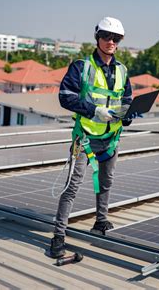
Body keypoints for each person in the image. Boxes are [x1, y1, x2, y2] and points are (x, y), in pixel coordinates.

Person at [49, 17, 139, 258]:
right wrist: (93, 110)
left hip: (111, 138)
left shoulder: (122, 71)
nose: (111, 42)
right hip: (86, 137)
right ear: (97, 37)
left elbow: (126, 100)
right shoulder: (82, 66)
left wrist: (129, 114)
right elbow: (65, 96)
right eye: (107, 36)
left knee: (105, 182)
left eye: (116, 38)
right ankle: (58, 236)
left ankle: (101, 221)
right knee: (72, 186)